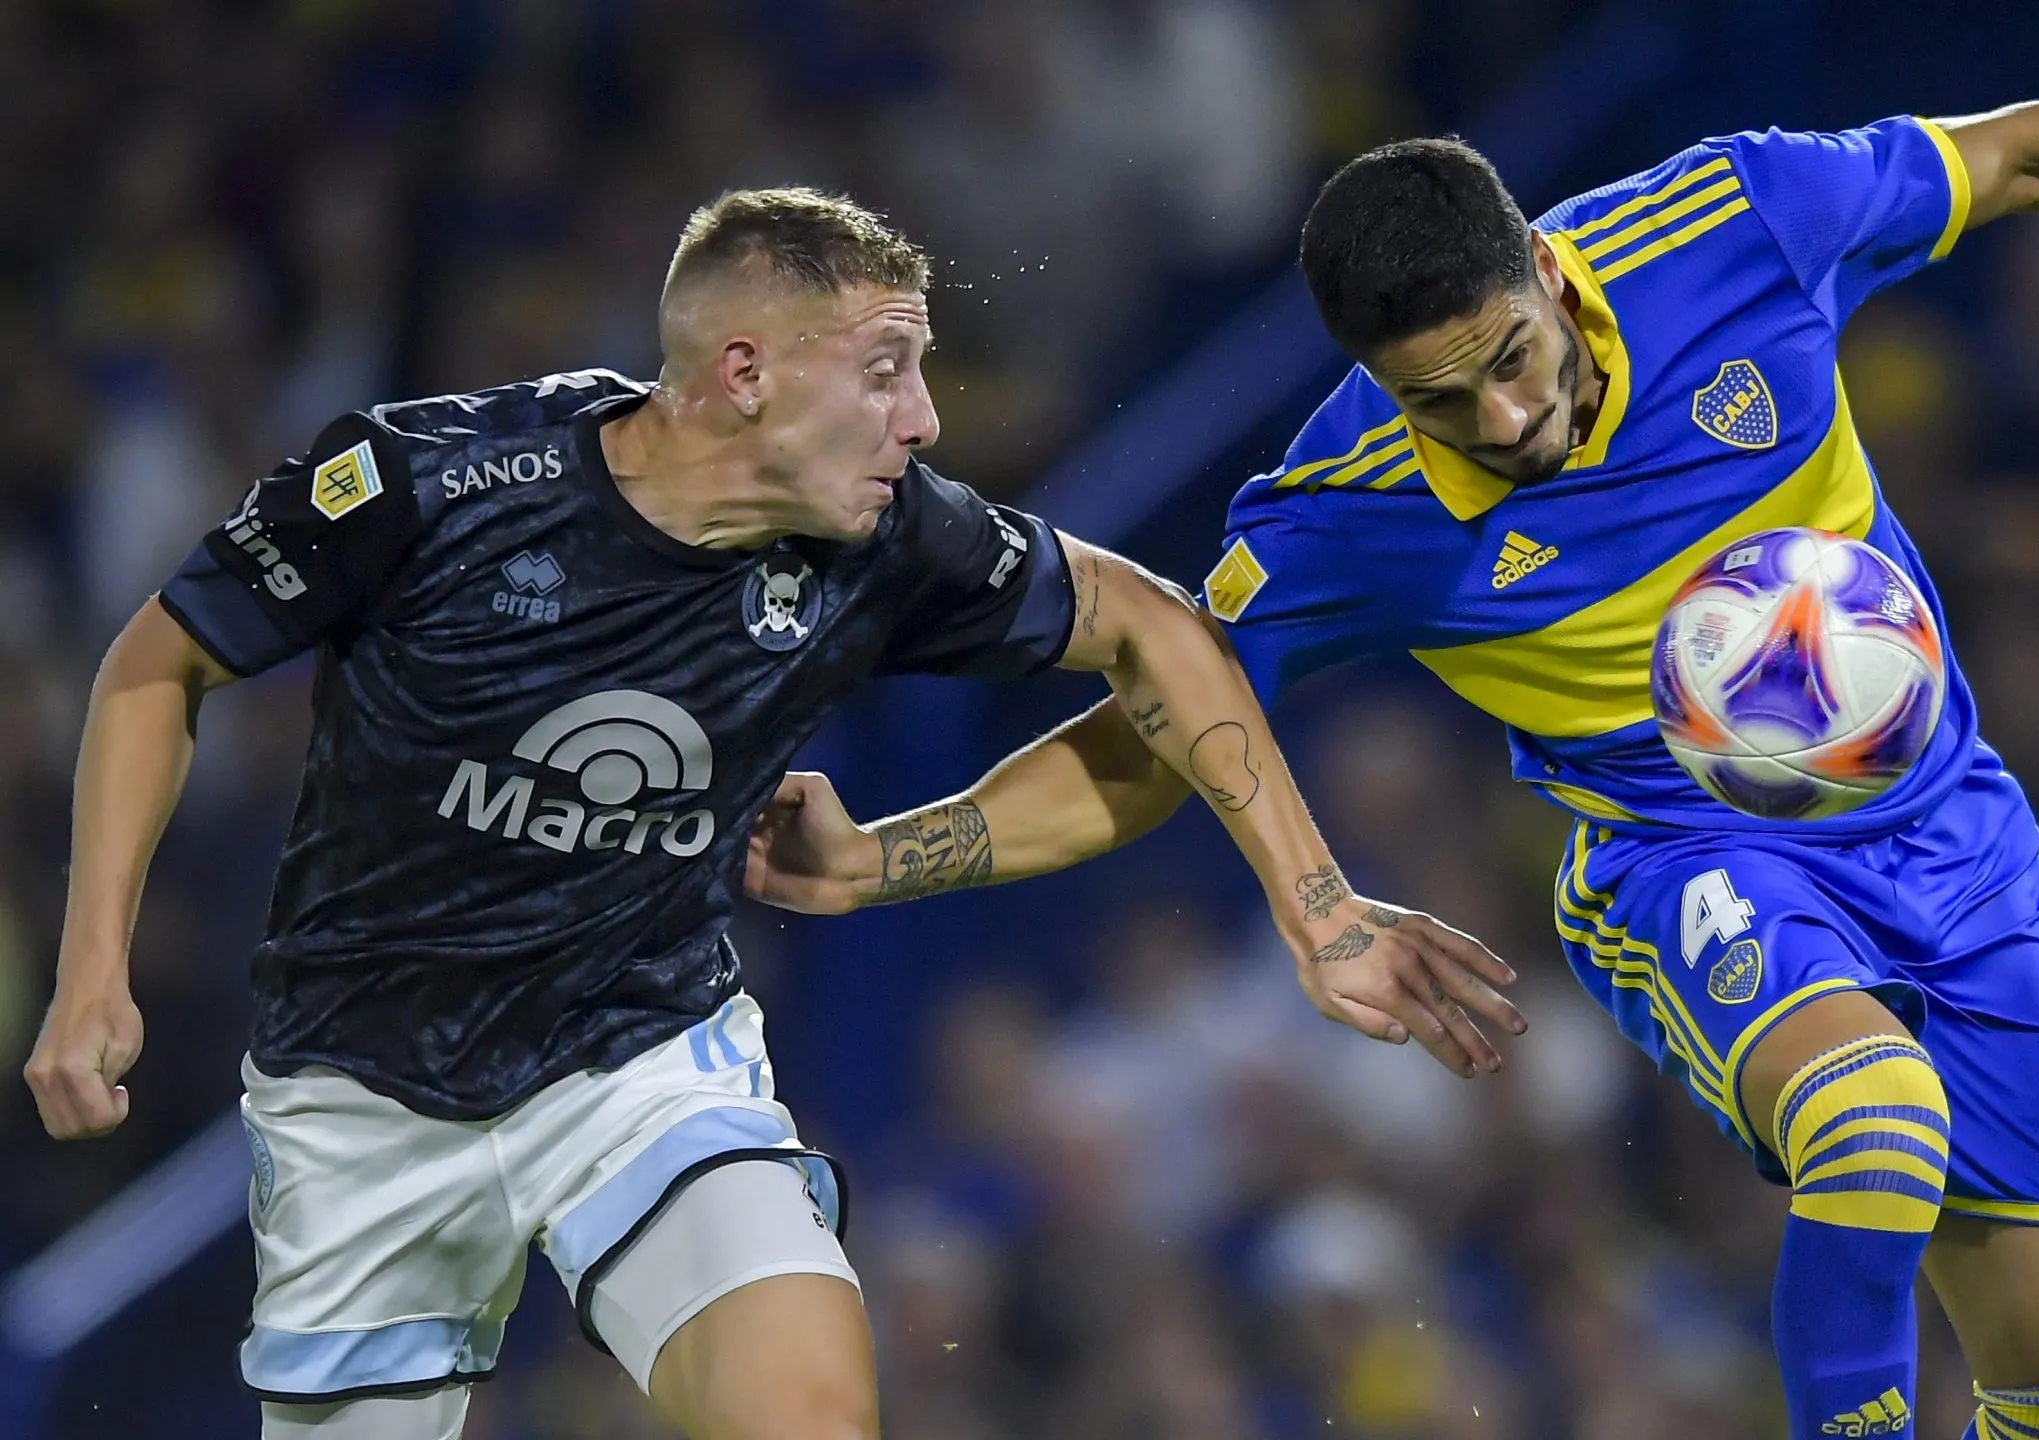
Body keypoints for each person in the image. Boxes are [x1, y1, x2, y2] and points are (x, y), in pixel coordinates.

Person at [748, 71, 2039, 1438]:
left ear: (1545, 266)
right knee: (1874, 1128)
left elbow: (2022, 154)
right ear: (1382, 387)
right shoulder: (1345, 512)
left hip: (1955, 842)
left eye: (1514, 362)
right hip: (1696, 868)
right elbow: (1152, 748)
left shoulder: (1734, 228)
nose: (1507, 423)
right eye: (1446, 402)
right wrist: (884, 856)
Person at [19, 188, 1522, 1440]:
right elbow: (159, 666)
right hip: (362, 1096)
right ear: (744, 373)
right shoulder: (423, 486)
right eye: (885, 371)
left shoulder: (881, 543)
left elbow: (1157, 630)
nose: (926, 419)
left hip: (641, 1060)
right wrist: (95, 976)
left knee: (810, 1414)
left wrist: (1317, 909)